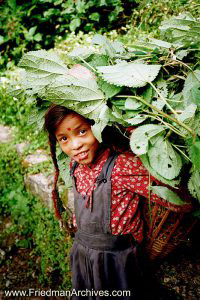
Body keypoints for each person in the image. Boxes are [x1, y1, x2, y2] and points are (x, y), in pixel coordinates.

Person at [44, 104, 180, 300]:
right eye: (64, 138)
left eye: (82, 131)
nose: (75, 145)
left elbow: (176, 200)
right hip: (82, 255)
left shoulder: (121, 166)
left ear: (98, 126)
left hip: (117, 262)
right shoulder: (75, 165)